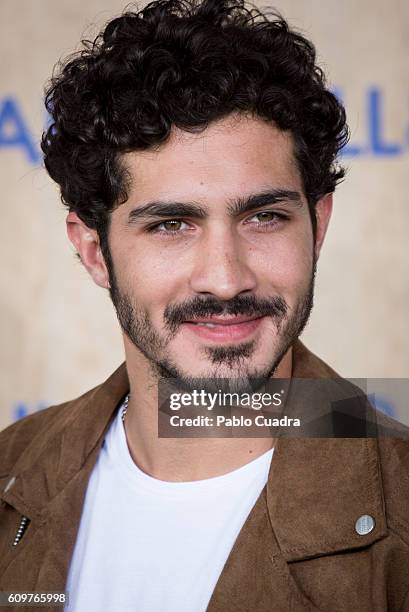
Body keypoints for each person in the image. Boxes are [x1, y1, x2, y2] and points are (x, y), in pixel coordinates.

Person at [1, 1, 408, 610]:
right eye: (171, 225)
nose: (225, 279)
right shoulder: (12, 466)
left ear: (317, 227)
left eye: (265, 217)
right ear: (93, 250)